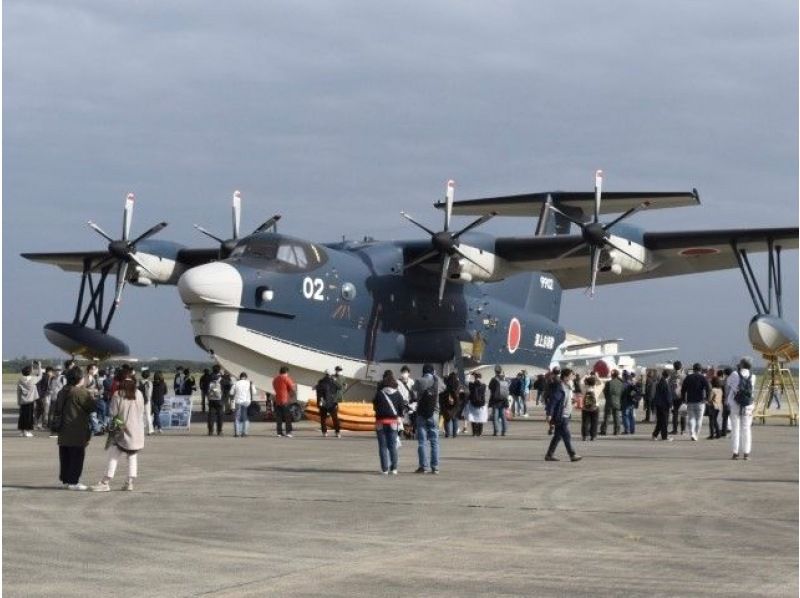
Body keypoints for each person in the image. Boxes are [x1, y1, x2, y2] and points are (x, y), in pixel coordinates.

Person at [90, 369, 146, 492]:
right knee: (132, 456)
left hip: (121, 430)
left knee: (113, 456)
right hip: (137, 430)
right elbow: (142, 411)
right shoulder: (139, 394)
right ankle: (129, 482)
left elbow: (113, 414)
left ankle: (105, 481)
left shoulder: (118, 394)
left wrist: (119, 425)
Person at [56, 367, 95, 490]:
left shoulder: (63, 391)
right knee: (77, 456)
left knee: (65, 456)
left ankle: (67, 480)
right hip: (76, 428)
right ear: (79, 378)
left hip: (63, 428)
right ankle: (74, 481)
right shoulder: (80, 392)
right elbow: (91, 406)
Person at [545, 369, 582, 462]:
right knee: (566, 435)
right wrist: (549, 414)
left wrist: (572, 400)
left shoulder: (568, 386)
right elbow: (553, 401)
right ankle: (572, 454)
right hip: (561, 415)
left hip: (566, 414)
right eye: (571, 375)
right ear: (565, 377)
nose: (573, 376)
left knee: (557, 436)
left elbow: (566, 398)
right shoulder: (559, 387)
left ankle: (549, 455)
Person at [412, 363, 442, 473]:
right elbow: (444, 389)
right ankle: (435, 467)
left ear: (423, 371)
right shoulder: (437, 381)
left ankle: (423, 466)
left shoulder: (419, 381)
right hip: (434, 413)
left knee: (422, 441)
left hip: (421, 413)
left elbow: (413, 390)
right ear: (433, 371)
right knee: (434, 441)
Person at [373, 370, 404, 474]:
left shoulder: (379, 394)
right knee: (392, 446)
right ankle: (394, 468)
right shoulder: (398, 394)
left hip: (380, 422)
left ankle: (384, 469)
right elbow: (401, 408)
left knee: (382, 446)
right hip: (393, 423)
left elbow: (375, 407)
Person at [726, 357, 756, 460]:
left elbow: (729, 383)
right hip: (748, 405)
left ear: (741, 364)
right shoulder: (753, 376)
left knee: (735, 429)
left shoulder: (734, 374)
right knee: (746, 429)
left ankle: (735, 453)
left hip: (735, 404)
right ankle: (746, 453)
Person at [681, 363, 711, 441]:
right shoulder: (703, 378)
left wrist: (683, 399)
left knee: (691, 418)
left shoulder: (688, 377)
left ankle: (692, 433)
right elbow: (708, 388)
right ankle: (696, 434)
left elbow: (683, 389)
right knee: (699, 419)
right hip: (701, 402)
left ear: (693, 369)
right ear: (700, 369)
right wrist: (707, 398)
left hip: (690, 401)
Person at [272, 366, 297, 437]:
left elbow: (275, 388)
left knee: (279, 417)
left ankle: (279, 432)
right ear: (286, 372)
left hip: (277, 400)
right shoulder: (286, 378)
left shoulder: (275, 379)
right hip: (285, 399)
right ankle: (288, 432)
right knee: (287, 417)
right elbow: (292, 388)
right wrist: (292, 395)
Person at [315, 371, 341, 437]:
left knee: (323, 418)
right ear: (330, 375)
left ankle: (324, 432)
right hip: (332, 403)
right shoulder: (333, 382)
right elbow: (339, 387)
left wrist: (318, 403)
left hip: (323, 403)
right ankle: (337, 432)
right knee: (335, 418)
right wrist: (335, 380)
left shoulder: (320, 382)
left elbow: (318, 392)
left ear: (325, 375)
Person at [17, 365, 39, 437]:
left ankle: (22, 431)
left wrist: (19, 401)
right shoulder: (33, 380)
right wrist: (39, 367)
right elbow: (40, 377)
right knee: (29, 416)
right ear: (30, 372)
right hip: (30, 401)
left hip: (23, 401)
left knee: (22, 416)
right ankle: (28, 431)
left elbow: (18, 392)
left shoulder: (20, 381)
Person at [651, 370, 673, 441]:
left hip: (658, 404)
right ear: (668, 376)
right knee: (664, 421)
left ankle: (655, 434)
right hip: (664, 405)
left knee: (660, 421)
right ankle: (664, 436)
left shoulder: (659, 382)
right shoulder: (665, 384)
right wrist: (670, 404)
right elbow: (667, 395)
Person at [488, 365, 510, 436]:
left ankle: (496, 431)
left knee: (495, 417)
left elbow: (490, 387)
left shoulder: (494, 379)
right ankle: (504, 431)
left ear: (495, 371)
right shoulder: (505, 379)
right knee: (503, 416)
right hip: (503, 400)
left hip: (495, 400)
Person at [600, 370, 623, 436]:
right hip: (617, 401)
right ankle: (617, 431)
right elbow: (622, 392)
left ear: (612, 375)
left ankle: (604, 431)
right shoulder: (620, 383)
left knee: (607, 417)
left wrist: (608, 398)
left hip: (609, 401)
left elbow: (605, 392)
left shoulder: (608, 383)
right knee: (617, 417)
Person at [396, 365, 416, 438]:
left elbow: (414, 393)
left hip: (410, 403)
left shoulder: (411, 381)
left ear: (409, 373)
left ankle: (409, 431)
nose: (404, 373)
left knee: (410, 417)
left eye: (406, 372)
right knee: (401, 417)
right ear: (401, 373)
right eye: (403, 372)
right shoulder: (397, 382)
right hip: (401, 402)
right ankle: (401, 430)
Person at [465, 372, 489, 436]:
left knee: (473, 418)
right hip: (482, 403)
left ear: (474, 377)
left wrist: (469, 375)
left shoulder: (471, 385)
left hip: (473, 402)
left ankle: (474, 433)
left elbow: (465, 381)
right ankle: (480, 432)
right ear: (480, 377)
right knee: (481, 418)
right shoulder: (484, 385)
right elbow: (485, 394)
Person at [440, 372, 462, 438]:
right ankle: (454, 434)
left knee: (447, 419)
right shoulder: (458, 385)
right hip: (456, 404)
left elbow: (442, 393)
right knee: (455, 419)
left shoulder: (446, 384)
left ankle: (448, 433)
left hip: (446, 403)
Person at [232, 372, 252, 437]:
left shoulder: (236, 383)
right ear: (246, 377)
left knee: (237, 417)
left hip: (238, 401)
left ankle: (237, 433)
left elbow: (231, 392)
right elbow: (254, 392)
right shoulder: (249, 383)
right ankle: (244, 433)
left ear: (240, 377)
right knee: (245, 417)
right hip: (246, 401)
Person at [206, 366, 225, 436]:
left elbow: (205, 387)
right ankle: (219, 431)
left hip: (211, 398)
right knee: (220, 415)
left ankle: (210, 431)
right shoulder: (221, 378)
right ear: (219, 370)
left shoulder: (209, 377)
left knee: (211, 415)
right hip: (219, 399)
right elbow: (227, 385)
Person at [581, 375, 599, 441]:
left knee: (585, 422)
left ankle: (585, 436)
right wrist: (597, 377)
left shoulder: (584, 388)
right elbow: (601, 383)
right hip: (595, 407)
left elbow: (580, 382)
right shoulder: (597, 389)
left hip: (585, 408)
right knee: (594, 422)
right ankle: (593, 436)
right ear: (594, 382)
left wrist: (586, 375)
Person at [669, 361, 686, 435]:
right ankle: (683, 430)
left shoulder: (672, 375)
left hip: (674, 397)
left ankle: (675, 430)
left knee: (675, 414)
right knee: (683, 414)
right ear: (681, 366)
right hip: (682, 397)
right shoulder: (683, 375)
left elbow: (669, 386)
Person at [35, 366, 54, 430]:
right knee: (44, 411)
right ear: (50, 371)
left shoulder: (41, 376)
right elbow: (47, 387)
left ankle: (36, 424)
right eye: (52, 372)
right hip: (42, 396)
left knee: (38, 410)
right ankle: (43, 425)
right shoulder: (47, 377)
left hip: (37, 395)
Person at [139, 369, 154, 435]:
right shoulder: (149, 383)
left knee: (141, 415)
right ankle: (150, 430)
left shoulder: (140, 382)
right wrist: (148, 399)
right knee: (148, 415)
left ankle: (141, 429)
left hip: (140, 400)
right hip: (147, 400)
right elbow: (149, 393)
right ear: (148, 375)